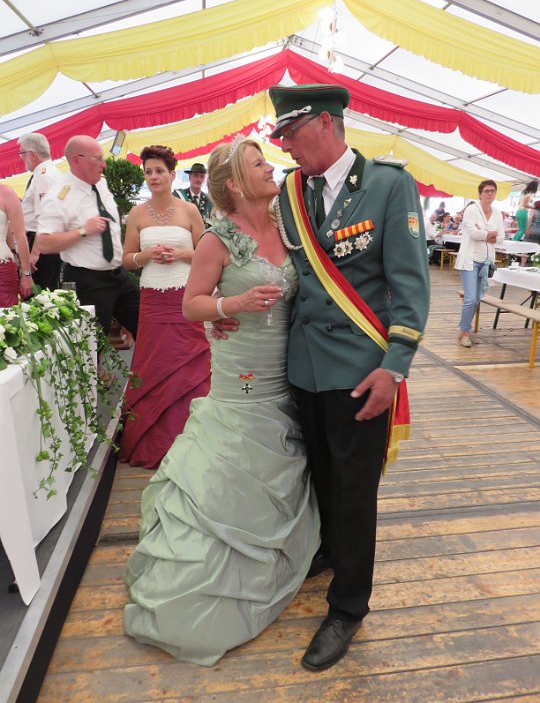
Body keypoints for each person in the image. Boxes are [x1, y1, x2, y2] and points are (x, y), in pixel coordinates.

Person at [123, 136, 319, 664]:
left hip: (290, 371)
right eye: (259, 163)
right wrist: (231, 304)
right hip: (243, 374)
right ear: (234, 183)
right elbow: (191, 305)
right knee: (234, 461)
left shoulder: (288, 225)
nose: (270, 168)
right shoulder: (217, 239)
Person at [265, 84, 430, 672]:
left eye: (291, 134)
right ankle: (332, 551)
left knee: (356, 490)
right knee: (321, 474)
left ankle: (348, 607)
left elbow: (410, 287)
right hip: (305, 365)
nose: (286, 147)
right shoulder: (291, 192)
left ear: (326, 124)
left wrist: (394, 367)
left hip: (362, 370)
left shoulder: (387, 185)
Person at [118, 145, 211, 469]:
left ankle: (194, 439)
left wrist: (182, 254)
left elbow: (207, 253)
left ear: (172, 175)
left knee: (188, 363)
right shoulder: (137, 214)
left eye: (159, 171)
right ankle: (152, 442)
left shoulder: (190, 211)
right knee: (152, 364)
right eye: (149, 172)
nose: (154, 176)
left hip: (185, 298)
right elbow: (126, 260)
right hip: (152, 300)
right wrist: (145, 256)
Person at [36, 135, 140, 338]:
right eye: (97, 159)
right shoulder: (59, 195)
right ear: (77, 160)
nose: (103, 165)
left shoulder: (101, 184)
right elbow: (44, 243)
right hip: (88, 281)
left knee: (147, 329)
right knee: (93, 342)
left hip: (118, 274)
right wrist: (83, 231)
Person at [455, 180, 505, 347]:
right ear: (480, 194)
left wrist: (485, 234)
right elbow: (473, 234)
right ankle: (464, 332)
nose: (490, 193)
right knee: (470, 299)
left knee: (477, 299)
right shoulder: (472, 210)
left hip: (486, 263)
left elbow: (501, 237)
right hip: (470, 261)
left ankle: (464, 330)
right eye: (486, 191)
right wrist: (491, 233)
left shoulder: (497, 213)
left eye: (492, 191)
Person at [18, 133, 62, 291]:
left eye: (22, 153)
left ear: (32, 155)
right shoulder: (46, 173)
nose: (21, 158)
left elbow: (47, 218)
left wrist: (35, 253)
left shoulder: (44, 176)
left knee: (39, 296)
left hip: (41, 247)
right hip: (43, 245)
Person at [0, 184, 33, 306]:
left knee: (6, 314)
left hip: (2, 269)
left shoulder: (6, 193)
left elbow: (20, 237)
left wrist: (26, 274)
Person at [173, 162, 213, 226]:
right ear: (189, 177)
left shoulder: (209, 200)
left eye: (202, 176)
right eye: (195, 176)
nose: (199, 179)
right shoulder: (178, 196)